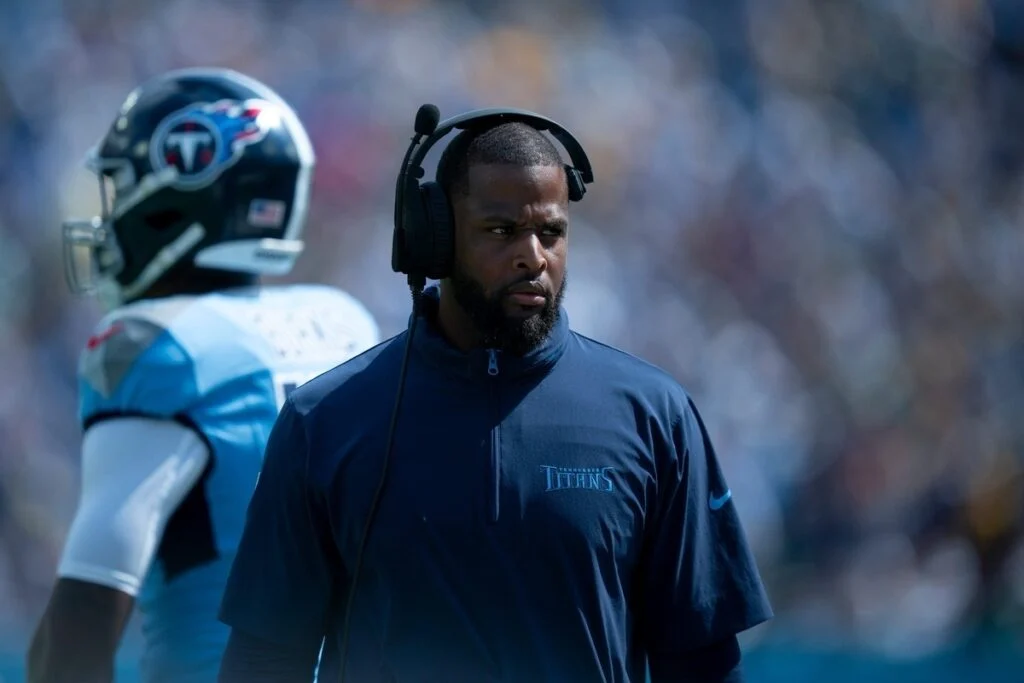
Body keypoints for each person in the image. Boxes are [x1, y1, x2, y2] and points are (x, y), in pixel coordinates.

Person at [217, 110, 772, 683]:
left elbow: (704, 661)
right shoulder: (324, 421)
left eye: (550, 233)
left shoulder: (656, 416)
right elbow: (264, 659)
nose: (533, 257)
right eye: (501, 230)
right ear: (436, 237)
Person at [26, 68, 381, 683]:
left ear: (179, 191)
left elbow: (80, 623)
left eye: (120, 190)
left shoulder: (156, 345)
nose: (109, 219)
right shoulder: (344, 323)